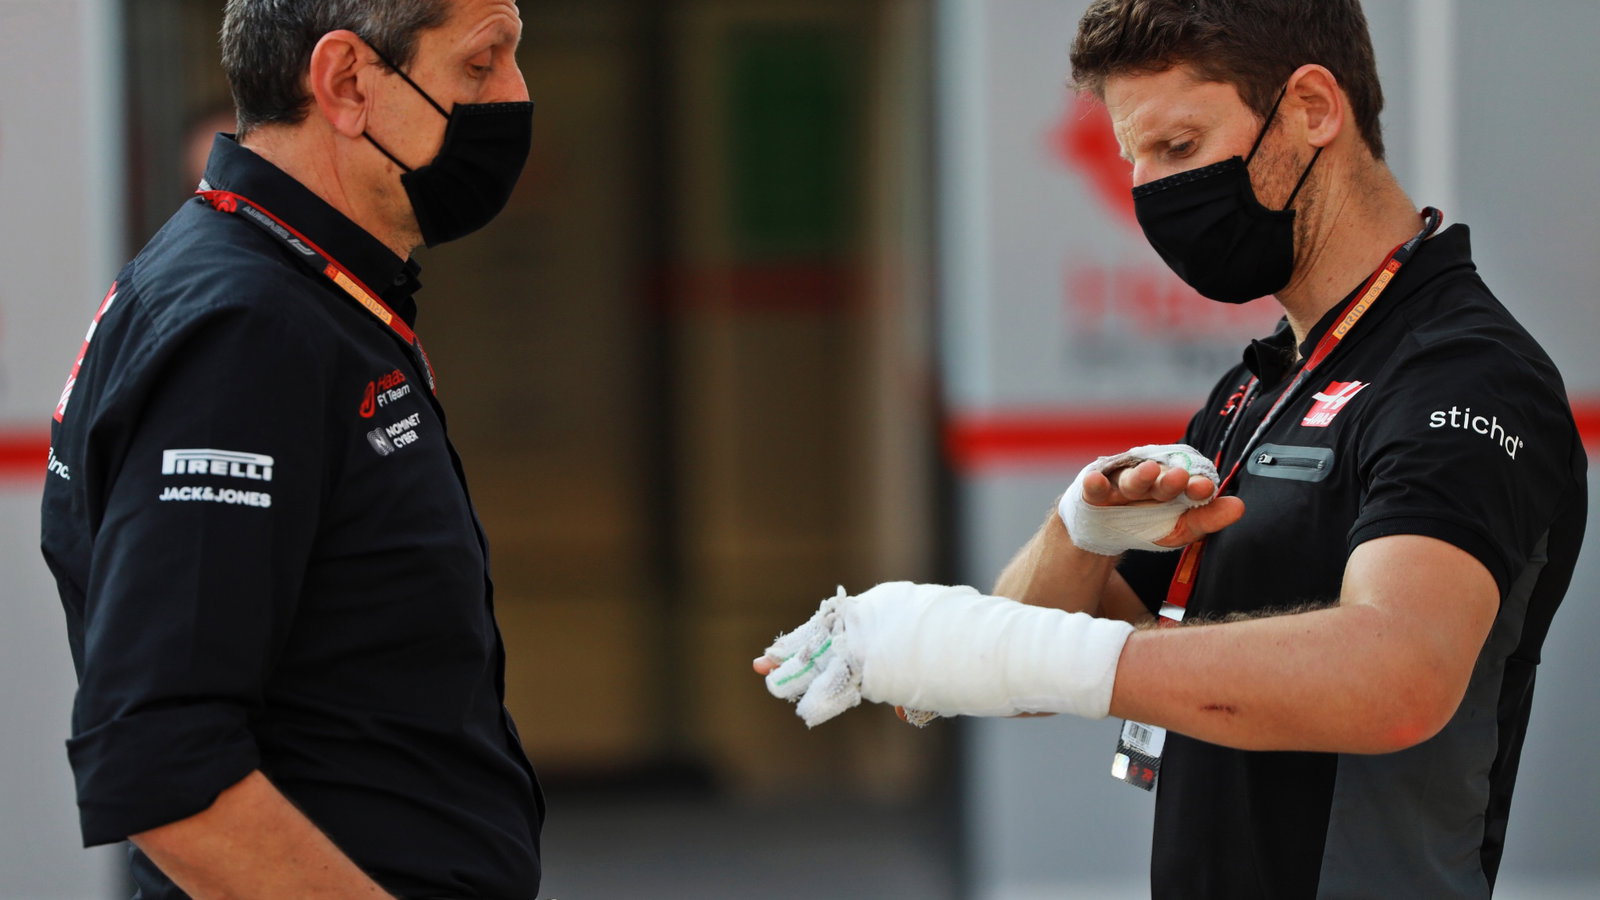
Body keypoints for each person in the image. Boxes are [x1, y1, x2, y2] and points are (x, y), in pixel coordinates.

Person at [754, 1, 1586, 896]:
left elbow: (1399, 673)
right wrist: (1079, 534)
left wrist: (1006, 651)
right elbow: (1043, 660)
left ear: (1312, 108)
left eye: (1180, 149)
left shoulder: (1464, 374)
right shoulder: (1260, 384)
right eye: (1132, 161)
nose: (1150, 192)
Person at [41, 1, 543, 896]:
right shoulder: (244, 327)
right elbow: (164, 766)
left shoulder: (308, 290)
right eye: (481, 63)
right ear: (347, 82)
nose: (516, 94)